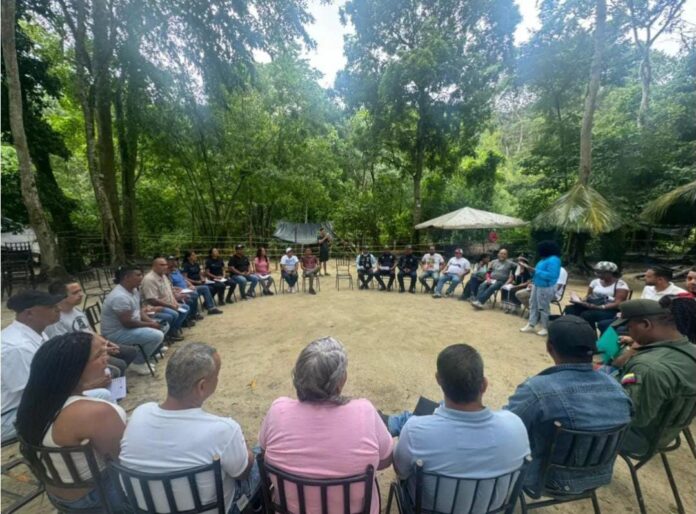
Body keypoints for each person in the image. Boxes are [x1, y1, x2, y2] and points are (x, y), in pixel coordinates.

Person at [259, 337, 392, 514]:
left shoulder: (278, 411)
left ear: (298, 376)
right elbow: (385, 460)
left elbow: (261, 449)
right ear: (341, 379)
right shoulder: (364, 411)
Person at [120, 343, 256, 513]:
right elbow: (242, 473)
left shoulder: (140, 413)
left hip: (146, 509)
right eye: (217, 375)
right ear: (202, 386)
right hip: (219, 509)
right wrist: (248, 452)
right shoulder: (224, 429)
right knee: (257, 456)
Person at [505, 316, 632, 494]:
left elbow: (505, 427)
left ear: (549, 347)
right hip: (598, 476)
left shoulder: (538, 390)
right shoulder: (618, 390)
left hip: (546, 479)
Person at [394, 345, 530, 509]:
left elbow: (401, 472)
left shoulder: (415, 430)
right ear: (484, 385)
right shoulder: (516, 426)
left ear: (438, 380)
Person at [15, 333, 127, 511]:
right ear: (74, 368)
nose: (107, 358)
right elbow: (125, 461)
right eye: (99, 355)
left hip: (60, 495)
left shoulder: (36, 403)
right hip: (96, 498)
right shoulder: (96, 413)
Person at [611, 300, 696, 455]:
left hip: (639, 437)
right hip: (667, 431)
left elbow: (633, 418)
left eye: (628, 327)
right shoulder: (691, 351)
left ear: (645, 324)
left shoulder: (647, 367)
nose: (629, 333)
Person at [2, 290, 62, 439]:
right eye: (50, 306)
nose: (58, 309)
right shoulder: (17, 347)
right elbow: (34, 394)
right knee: (93, 398)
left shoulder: (37, 332)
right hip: (9, 417)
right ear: (29, 313)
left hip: (28, 404)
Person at [46, 280, 138, 377]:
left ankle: (111, 380)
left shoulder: (76, 310)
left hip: (93, 347)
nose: (81, 294)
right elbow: (67, 349)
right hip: (80, 356)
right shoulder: (55, 320)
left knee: (130, 352)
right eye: (75, 293)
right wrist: (100, 351)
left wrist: (105, 343)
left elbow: (90, 331)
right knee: (119, 365)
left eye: (80, 291)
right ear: (61, 297)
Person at [101, 266, 167, 376]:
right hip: (116, 333)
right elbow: (127, 323)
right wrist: (150, 325)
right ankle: (137, 362)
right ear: (127, 277)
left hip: (129, 326)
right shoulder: (120, 296)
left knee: (163, 325)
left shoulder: (134, 290)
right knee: (157, 335)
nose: (141, 277)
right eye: (138, 275)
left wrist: (151, 321)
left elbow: (139, 310)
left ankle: (147, 355)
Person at [563, 261, 630, 330]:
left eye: (601, 272)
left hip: (609, 310)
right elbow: (588, 296)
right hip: (592, 305)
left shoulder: (620, 285)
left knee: (587, 315)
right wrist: (580, 301)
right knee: (570, 309)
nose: (597, 274)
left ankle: (590, 336)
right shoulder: (595, 282)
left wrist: (600, 307)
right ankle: (573, 331)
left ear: (610, 273)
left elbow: (618, 303)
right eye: (597, 272)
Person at [520, 241, 562, 337]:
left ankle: (545, 327)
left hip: (546, 286)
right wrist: (530, 270)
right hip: (537, 284)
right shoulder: (543, 260)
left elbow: (552, 275)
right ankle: (531, 324)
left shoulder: (554, 260)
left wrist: (535, 270)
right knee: (533, 304)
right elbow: (537, 272)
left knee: (543, 307)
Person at [141, 256, 190, 338]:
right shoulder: (149, 279)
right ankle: (169, 333)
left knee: (185, 308)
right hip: (155, 308)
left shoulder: (163, 276)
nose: (165, 267)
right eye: (162, 265)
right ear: (154, 266)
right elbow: (152, 300)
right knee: (173, 314)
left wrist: (176, 302)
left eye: (166, 265)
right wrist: (170, 306)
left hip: (168, 304)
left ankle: (173, 330)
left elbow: (169, 291)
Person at [165, 256, 202, 323]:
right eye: (171, 261)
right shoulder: (166, 274)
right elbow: (170, 287)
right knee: (192, 296)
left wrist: (190, 285)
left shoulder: (176, 270)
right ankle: (188, 317)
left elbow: (183, 279)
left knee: (197, 292)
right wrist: (177, 290)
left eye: (174, 260)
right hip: (176, 293)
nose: (174, 262)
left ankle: (193, 314)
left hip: (183, 289)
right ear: (167, 262)